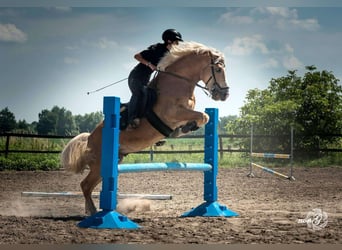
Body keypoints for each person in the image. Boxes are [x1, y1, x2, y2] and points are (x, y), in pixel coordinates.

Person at [127, 29, 183, 128]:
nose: (178, 43)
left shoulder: (169, 54)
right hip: (136, 77)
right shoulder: (156, 49)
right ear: (169, 41)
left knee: (152, 95)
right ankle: (132, 119)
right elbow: (137, 56)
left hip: (145, 79)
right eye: (176, 41)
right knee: (140, 93)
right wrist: (149, 64)